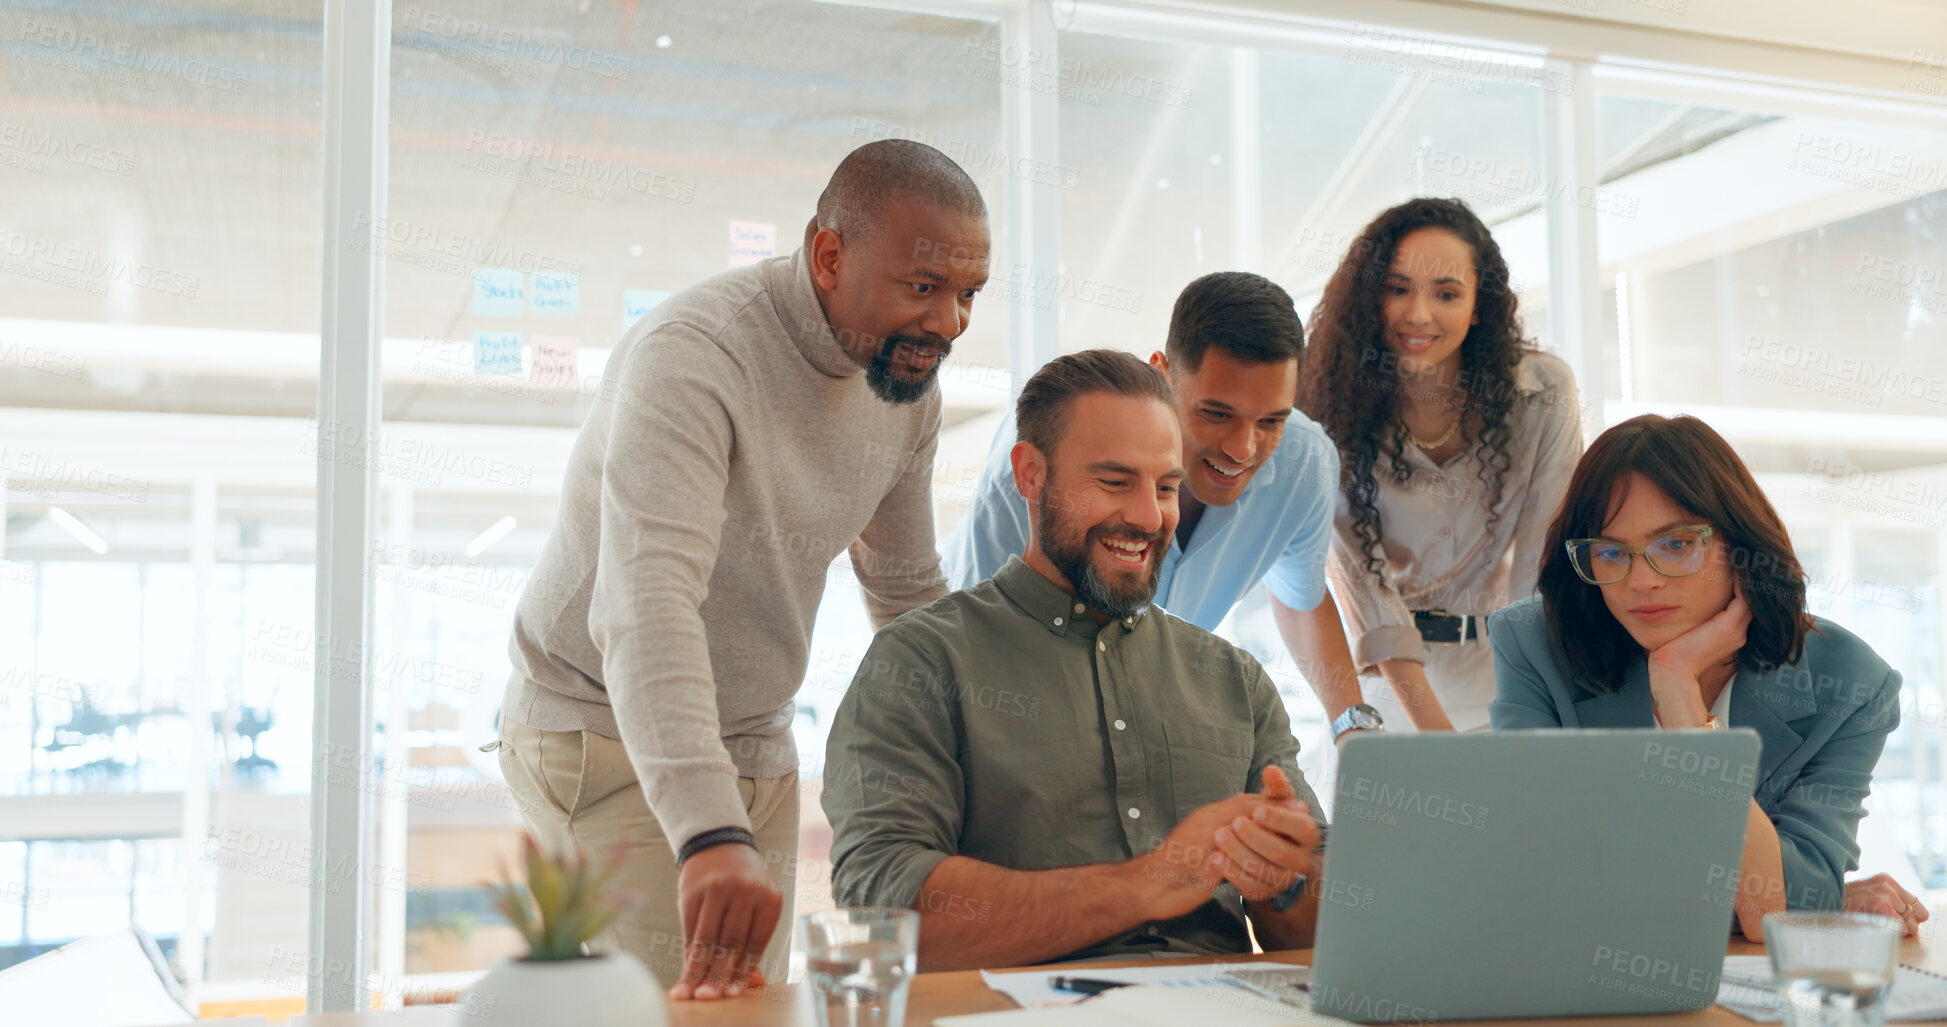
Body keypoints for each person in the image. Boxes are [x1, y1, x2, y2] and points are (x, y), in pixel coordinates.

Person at [494, 140, 990, 1000]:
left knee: (750, 1007)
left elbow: (905, 590)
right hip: (604, 729)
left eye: (967, 295)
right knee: (691, 1008)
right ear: (828, 254)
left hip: (755, 739)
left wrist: (977, 758)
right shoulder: (696, 355)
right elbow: (647, 604)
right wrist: (707, 832)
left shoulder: (904, 380)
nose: (948, 322)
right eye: (923, 288)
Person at [826, 349, 1326, 970]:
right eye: (1116, 482)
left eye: (1167, 487)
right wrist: (1151, 881)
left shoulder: (1235, 681)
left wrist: (1287, 880)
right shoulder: (922, 661)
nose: (1149, 517)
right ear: (1030, 474)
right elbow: (883, 912)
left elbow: (1322, 941)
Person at [1488, 413, 1927, 939]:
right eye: (1609, 552)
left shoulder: (1852, 685)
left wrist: (1679, 695)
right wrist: (1810, 899)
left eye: (1675, 544)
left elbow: (1771, 917)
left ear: (1741, 550)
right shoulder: (1534, 646)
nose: (1642, 581)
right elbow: (1537, 882)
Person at [944, 272, 1373, 742]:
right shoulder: (1044, 462)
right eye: (1216, 414)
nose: (1242, 449)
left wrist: (1352, 728)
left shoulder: (1305, 465)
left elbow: (1301, 600)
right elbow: (975, 640)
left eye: (1271, 420)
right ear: (1162, 375)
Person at [1299, 197, 1583, 734]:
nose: (1419, 314)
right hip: (1384, 689)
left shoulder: (1542, 393)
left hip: (1503, 673)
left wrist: (1537, 708)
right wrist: (1436, 738)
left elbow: (1540, 567)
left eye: (1447, 294)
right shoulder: (1324, 407)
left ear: (1479, 305)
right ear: (1368, 296)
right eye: (1398, 288)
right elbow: (1364, 586)